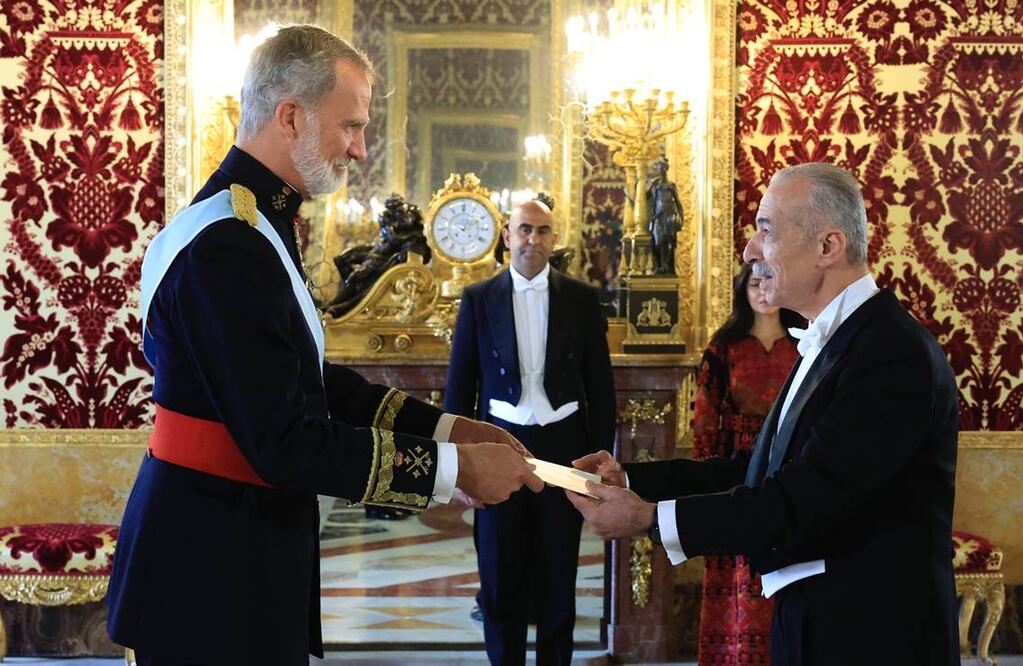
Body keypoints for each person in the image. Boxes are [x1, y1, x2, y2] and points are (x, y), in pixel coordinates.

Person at [105, 25, 542, 666]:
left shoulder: (257, 225)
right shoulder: (229, 244)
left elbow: (310, 382)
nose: (361, 150)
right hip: (207, 570)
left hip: (236, 550)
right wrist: (452, 472)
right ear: (289, 117)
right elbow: (286, 441)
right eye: (351, 127)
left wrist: (450, 430)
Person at [566, 162, 961, 665]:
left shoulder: (891, 354)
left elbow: (800, 500)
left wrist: (648, 518)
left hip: (871, 634)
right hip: (820, 620)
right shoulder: (840, 340)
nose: (750, 249)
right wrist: (634, 481)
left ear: (827, 248)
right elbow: (759, 467)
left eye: (766, 230)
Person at [444, 199, 616, 666]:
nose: (532, 240)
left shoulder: (580, 298)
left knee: (559, 578)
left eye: (542, 231)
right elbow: (459, 389)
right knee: (499, 580)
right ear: (507, 235)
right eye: (524, 230)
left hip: (565, 454)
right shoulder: (479, 298)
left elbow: (600, 387)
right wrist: (453, 468)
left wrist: (602, 462)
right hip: (497, 449)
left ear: (553, 239)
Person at [692, 262, 802, 665]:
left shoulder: (803, 343)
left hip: (790, 466)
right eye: (754, 283)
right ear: (743, 290)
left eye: (769, 280)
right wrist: (708, 478)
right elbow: (705, 417)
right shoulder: (723, 348)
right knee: (737, 571)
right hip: (736, 470)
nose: (762, 290)